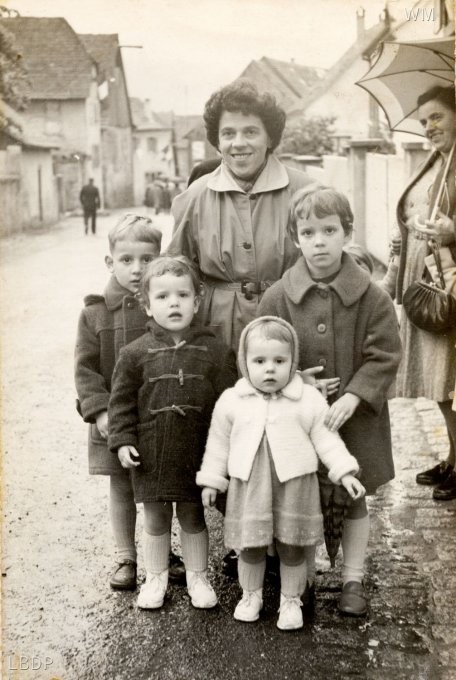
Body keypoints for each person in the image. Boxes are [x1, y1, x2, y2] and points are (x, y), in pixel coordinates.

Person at [258, 185, 402, 616]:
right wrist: (293, 382)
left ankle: (353, 579)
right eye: (308, 232)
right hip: (295, 423)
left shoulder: (372, 296)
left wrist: (355, 395)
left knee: (353, 495)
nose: (318, 241)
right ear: (295, 238)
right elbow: (258, 353)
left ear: (347, 232)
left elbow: (386, 353)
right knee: (298, 498)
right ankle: (299, 580)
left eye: (329, 230)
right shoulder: (278, 297)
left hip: (355, 421)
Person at [197, 317, 365, 630]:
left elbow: (327, 439)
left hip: (294, 486)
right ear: (244, 363)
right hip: (249, 485)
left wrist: (345, 472)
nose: (270, 369)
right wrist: (211, 480)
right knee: (250, 544)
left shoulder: (308, 399)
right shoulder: (232, 401)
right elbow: (218, 444)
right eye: (259, 361)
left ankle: (291, 600)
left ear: (293, 362)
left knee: (292, 545)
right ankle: (251, 596)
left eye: (279, 360)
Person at [108, 256, 237, 610]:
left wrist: (226, 451)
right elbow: (120, 403)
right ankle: (156, 578)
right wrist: (122, 441)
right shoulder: (133, 354)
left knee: (193, 514)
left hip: (197, 450)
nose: (174, 303)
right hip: (151, 450)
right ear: (147, 306)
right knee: (155, 515)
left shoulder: (215, 351)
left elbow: (229, 404)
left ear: (197, 302)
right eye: (163, 297)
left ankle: (197, 576)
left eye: (183, 295)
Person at [75, 214, 185, 591]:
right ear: (110, 262)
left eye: (147, 259)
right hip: (114, 420)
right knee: (121, 487)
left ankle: (163, 552)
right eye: (126, 260)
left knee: (160, 488)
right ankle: (126, 555)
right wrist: (100, 409)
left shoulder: (165, 306)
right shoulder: (95, 312)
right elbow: (85, 369)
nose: (137, 269)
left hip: (157, 418)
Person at [168, 79, 312, 353]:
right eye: (228, 133)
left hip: (291, 323)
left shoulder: (305, 192)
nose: (238, 143)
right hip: (216, 333)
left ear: (269, 137)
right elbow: (175, 272)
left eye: (250, 132)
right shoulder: (195, 196)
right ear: (216, 141)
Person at [394, 85, 456, 501]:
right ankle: (453, 457)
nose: (428, 128)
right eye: (423, 122)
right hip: (429, 284)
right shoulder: (437, 161)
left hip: (450, 286)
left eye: (436, 117)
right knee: (441, 380)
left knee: (452, 382)